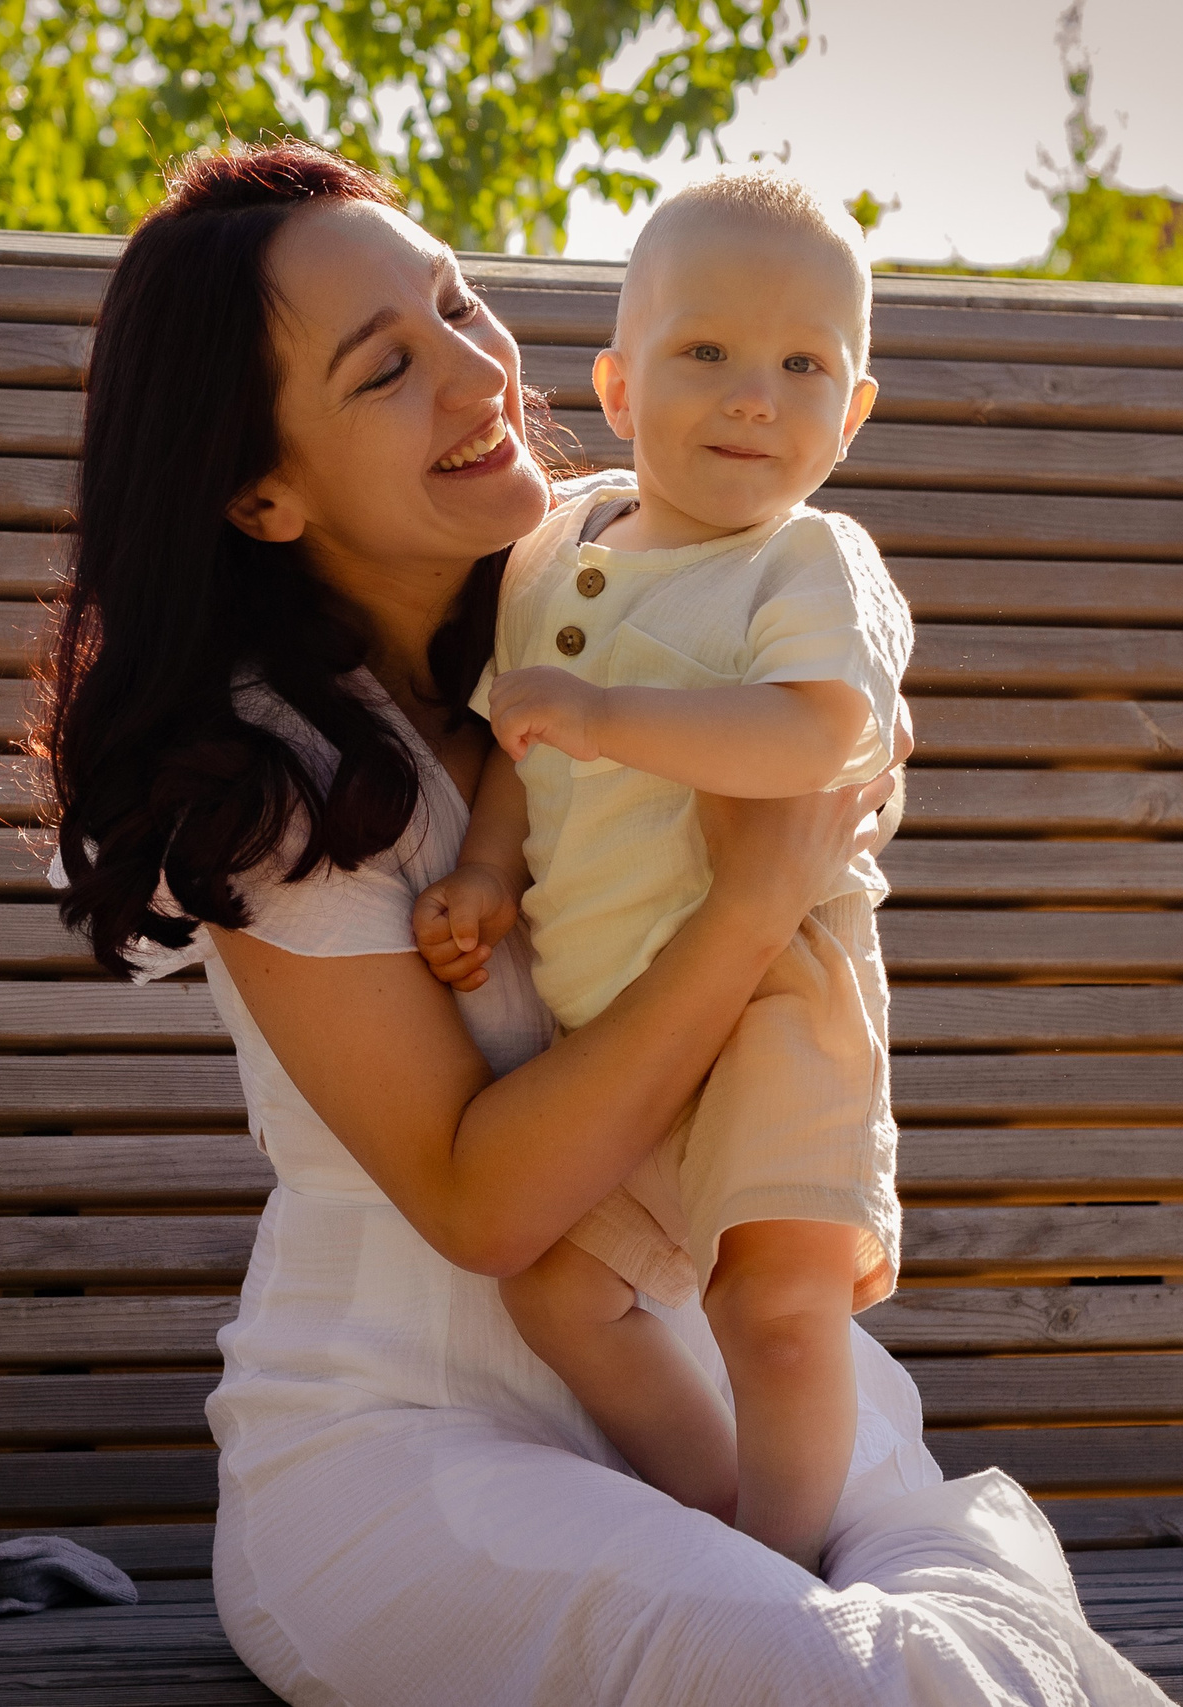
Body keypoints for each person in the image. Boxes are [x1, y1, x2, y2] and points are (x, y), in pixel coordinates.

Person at [44, 137, 1172, 1706]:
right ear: (260, 488)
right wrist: (758, 896)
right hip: (412, 1451)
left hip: (746, 1390)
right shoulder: (273, 783)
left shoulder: (639, 572)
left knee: (980, 1661)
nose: (476, 372)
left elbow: (837, 711)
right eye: (386, 369)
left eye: (455, 306)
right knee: (807, 1672)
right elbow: (484, 1207)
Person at [410, 166, 908, 1571]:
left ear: (852, 412)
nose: (757, 394)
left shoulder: (809, 560)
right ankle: (721, 1519)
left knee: (779, 1299)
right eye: (709, 353)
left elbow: (825, 732)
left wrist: (612, 719)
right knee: (562, 1290)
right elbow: (525, 736)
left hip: (773, 999)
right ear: (620, 387)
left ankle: (801, 1566)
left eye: (806, 365)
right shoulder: (558, 543)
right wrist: (491, 872)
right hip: (614, 1018)